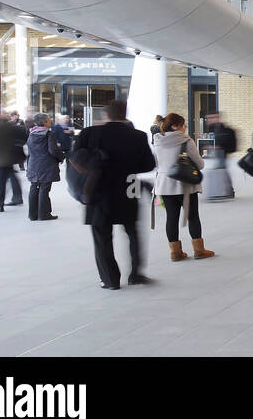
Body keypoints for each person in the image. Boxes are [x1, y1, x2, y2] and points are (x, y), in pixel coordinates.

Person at [75, 100, 156, 288]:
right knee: (133, 233)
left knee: (102, 237)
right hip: (128, 188)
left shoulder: (89, 134)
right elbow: (148, 165)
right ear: (124, 114)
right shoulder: (138, 136)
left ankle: (110, 280)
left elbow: (76, 158)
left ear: (106, 115)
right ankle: (136, 274)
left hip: (99, 191)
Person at [153, 113, 215, 261]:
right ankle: (199, 250)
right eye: (183, 125)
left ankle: (175, 253)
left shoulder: (157, 141)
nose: (185, 127)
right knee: (193, 216)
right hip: (185, 185)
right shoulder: (186, 141)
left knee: (171, 218)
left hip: (165, 185)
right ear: (175, 126)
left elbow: (156, 163)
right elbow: (200, 164)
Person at [25, 113, 63, 221]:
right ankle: (44, 215)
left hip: (33, 164)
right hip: (46, 165)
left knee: (34, 187)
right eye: (49, 120)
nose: (50, 121)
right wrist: (62, 157)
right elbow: (53, 150)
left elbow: (29, 149)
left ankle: (32, 215)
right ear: (44, 122)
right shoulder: (49, 134)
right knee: (44, 189)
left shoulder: (31, 133)